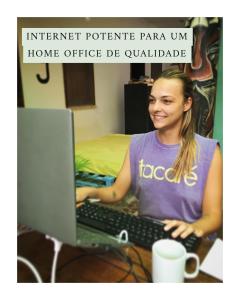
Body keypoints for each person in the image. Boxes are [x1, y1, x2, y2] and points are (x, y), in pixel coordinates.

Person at [76, 69, 222, 240]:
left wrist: (192, 228)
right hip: (146, 235)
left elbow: (213, 216)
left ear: (186, 103)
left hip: (189, 240)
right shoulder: (137, 143)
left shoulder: (209, 151)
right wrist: (90, 191)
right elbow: (116, 192)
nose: (155, 108)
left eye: (166, 101)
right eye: (152, 100)